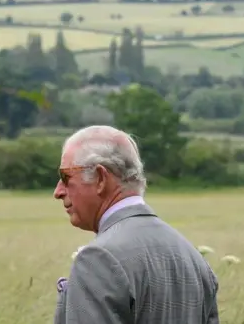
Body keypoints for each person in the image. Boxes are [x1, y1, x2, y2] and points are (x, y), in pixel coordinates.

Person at [53, 125, 220, 324]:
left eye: (66, 177)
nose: (58, 191)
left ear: (100, 179)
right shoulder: (193, 258)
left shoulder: (99, 258)